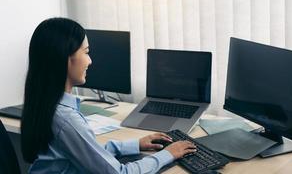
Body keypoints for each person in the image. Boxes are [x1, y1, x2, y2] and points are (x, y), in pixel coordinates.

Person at [21, 18, 197, 174]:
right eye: (86, 52)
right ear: (66, 58)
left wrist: (135, 145)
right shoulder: (66, 120)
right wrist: (168, 154)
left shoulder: (45, 104)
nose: (90, 61)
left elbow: (89, 153)